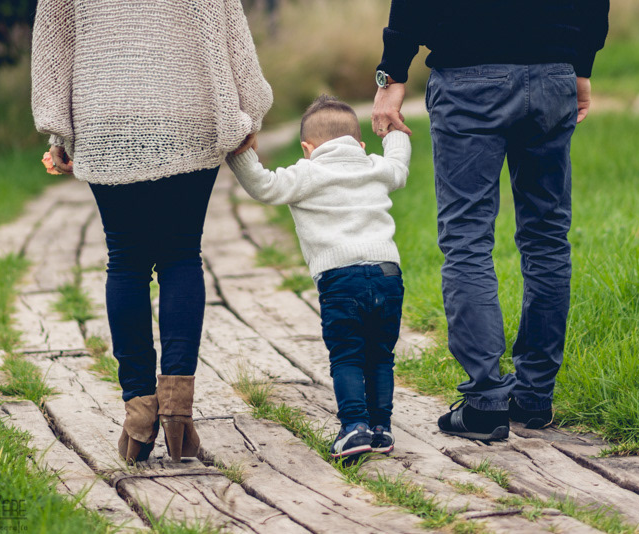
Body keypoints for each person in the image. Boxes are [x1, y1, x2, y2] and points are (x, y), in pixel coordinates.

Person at [31, 0, 272, 463]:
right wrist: (247, 113)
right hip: (190, 113)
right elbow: (231, 30)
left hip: (105, 120)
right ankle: (178, 413)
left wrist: (58, 131)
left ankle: (139, 413)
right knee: (182, 254)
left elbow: (52, 42)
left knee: (126, 261)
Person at [371, 1, 610, 440]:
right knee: (547, 237)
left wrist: (392, 74)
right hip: (553, 71)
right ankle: (534, 396)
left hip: (468, 76)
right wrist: (580, 64)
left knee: (467, 238)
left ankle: (485, 403)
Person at [227, 95, 411, 458]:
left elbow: (263, 185)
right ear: (359, 145)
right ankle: (381, 429)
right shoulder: (372, 165)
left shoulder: (307, 172)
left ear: (307, 148)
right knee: (380, 354)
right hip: (389, 275)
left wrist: (239, 150)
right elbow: (399, 166)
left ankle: (354, 426)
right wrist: (393, 131)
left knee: (347, 355)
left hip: (341, 281)